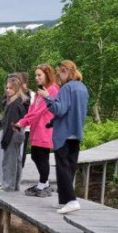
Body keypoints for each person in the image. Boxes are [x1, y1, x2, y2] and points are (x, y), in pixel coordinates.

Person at [41, 60, 88, 214]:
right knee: (70, 167)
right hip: (76, 132)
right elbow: (73, 110)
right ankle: (64, 200)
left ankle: (72, 200)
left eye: (59, 73)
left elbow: (60, 110)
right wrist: (52, 122)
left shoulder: (67, 88)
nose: (58, 77)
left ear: (65, 71)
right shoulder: (82, 88)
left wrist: (47, 97)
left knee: (62, 168)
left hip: (64, 134)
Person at [17, 64, 59, 196]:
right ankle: (45, 183)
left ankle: (42, 184)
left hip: (45, 128)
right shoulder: (40, 90)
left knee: (42, 156)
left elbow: (40, 110)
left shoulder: (52, 89)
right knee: (35, 155)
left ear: (47, 75)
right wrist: (24, 120)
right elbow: (32, 109)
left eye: (39, 75)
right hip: (36, 128)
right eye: (36, 75)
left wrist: (22, 122)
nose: (36, 77)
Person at [0, 76, 29, 191]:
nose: (7, 90)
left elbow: (10, 123)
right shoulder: (20, 101)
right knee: (16, 159)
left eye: (10, 88)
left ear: (16, 89)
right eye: (7, 88)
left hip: (13, 133)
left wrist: (5, 140)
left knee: (9, 161)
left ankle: (8, 186)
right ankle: (15, 185)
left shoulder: (14, 104)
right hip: (19, 133)